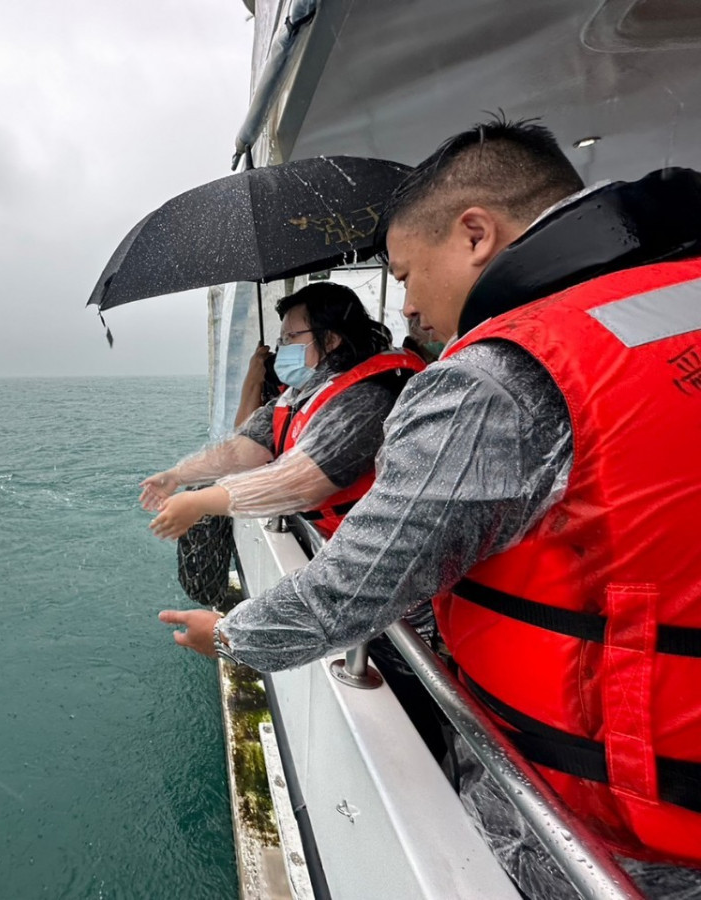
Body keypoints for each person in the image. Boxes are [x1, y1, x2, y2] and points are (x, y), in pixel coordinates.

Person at [158, 118, 701, 896]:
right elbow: (251, 441)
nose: (407, 303)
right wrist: (187, 472)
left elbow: (359, 580)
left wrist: (234, 635)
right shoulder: (670, 306)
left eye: (408, 273)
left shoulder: (496, 375)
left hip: (604, 828)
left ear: (475, 234)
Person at [140, 282, 425, 542]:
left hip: (377, 547)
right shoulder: (299, 395)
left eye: (291, 337)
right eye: (282, 339)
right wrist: (178, 475)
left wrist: (200, 502)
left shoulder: (365, 399)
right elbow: (242, 451)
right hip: (334, 539)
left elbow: (299, 481)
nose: (282, 347)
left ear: (331, 340)